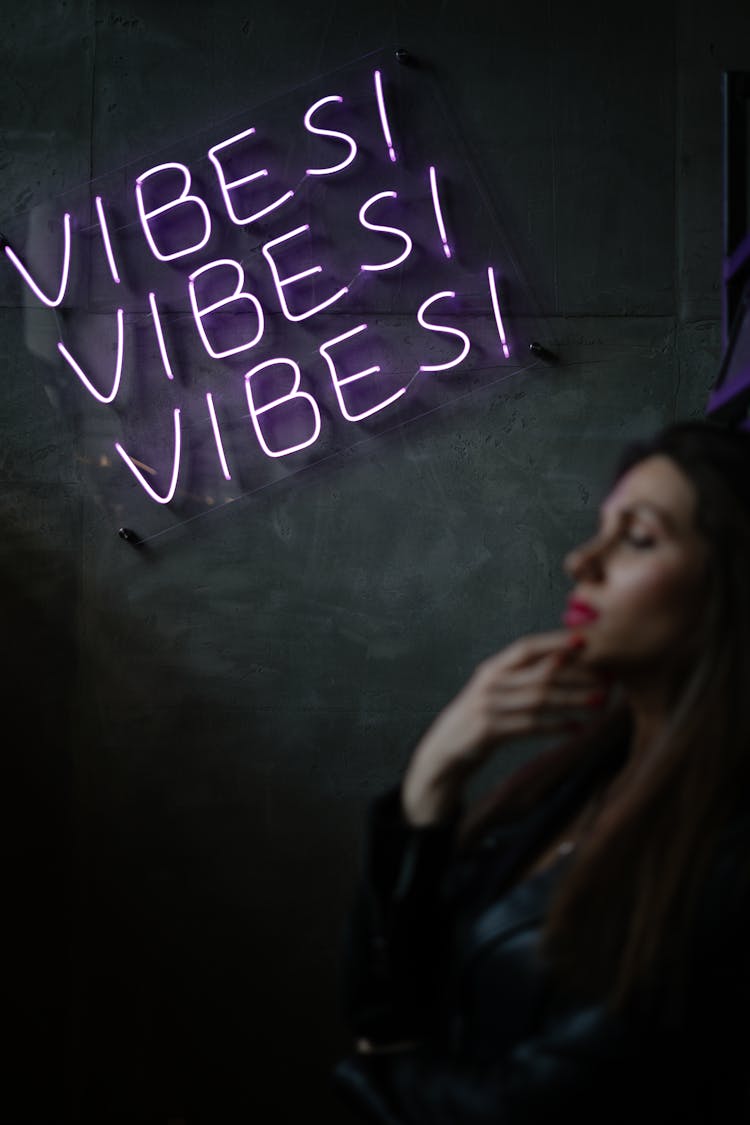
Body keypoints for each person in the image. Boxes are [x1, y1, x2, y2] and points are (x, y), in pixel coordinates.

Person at [333, 418, 750, 1124]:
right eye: (601, 527)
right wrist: (430, 782)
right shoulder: (577, 782)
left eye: (639, 537)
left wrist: (364, 1076)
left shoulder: (728, 849)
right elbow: (383, 994)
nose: (581, 560)